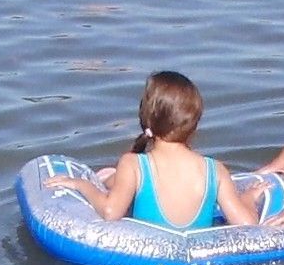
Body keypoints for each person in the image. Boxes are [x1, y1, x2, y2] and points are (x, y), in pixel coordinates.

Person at [46, 71, 257, 231]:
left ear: (146, 120)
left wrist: (83, 185)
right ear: (194, 125)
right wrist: (248, 198)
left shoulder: (134, 164)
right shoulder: (215, 170)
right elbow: (247, 223)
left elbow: (111, 212)